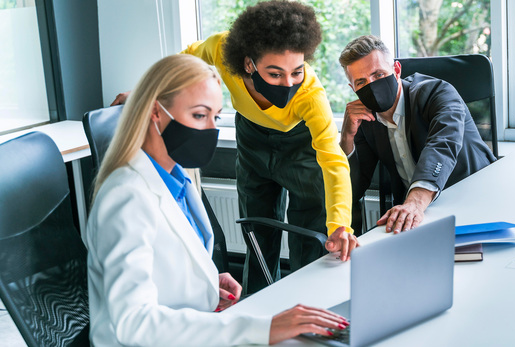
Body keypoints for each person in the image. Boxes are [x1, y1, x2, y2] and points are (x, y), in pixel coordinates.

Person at [86, 54, 348, 346]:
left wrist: (205, 283)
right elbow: (133, 323)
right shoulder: (126, 196)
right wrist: (259, 328)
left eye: (216, 117)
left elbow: (164, 263)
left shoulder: (177, 179)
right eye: (200, 115)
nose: (210, 129)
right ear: (155, 111)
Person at [111, 1, 358, 294]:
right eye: (275, 73)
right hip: (252, 139)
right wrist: (144, 93)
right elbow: (183, 63)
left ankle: (308, 301)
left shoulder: (311, 96)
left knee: (309, 235)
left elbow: (333, 161)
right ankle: (256, 306)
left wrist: (341, 225)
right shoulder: (221, 49)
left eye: (297, 71)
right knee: (257, 232)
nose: (288, 83)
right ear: (249, 64)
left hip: (299, 145)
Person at [338, 35, 497, 234]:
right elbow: (352, 189)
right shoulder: (365, 120)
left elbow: (442, 146)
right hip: (419, 219)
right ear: (353, 88)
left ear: (396, 70)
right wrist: (347, 138)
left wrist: (414, 203)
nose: (372, 85)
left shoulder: (438, 93)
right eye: (361, 82)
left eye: (378, 75)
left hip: (474, 204)